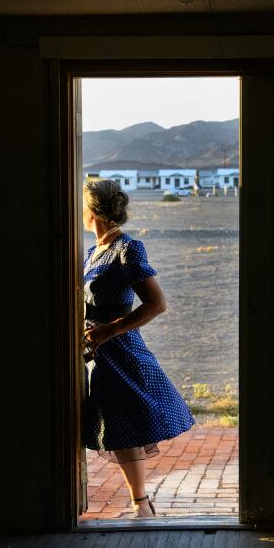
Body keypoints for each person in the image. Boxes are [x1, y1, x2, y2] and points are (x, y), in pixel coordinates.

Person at [80, 178, 195, 517]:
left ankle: (140, 503)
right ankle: (140, 503)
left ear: (92, 210)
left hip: (120, 349)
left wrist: (108, 332)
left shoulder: (128, 248)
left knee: (126, 424)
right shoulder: (92, 251)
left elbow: (156, 304)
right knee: (115, 424)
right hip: (96, 352)